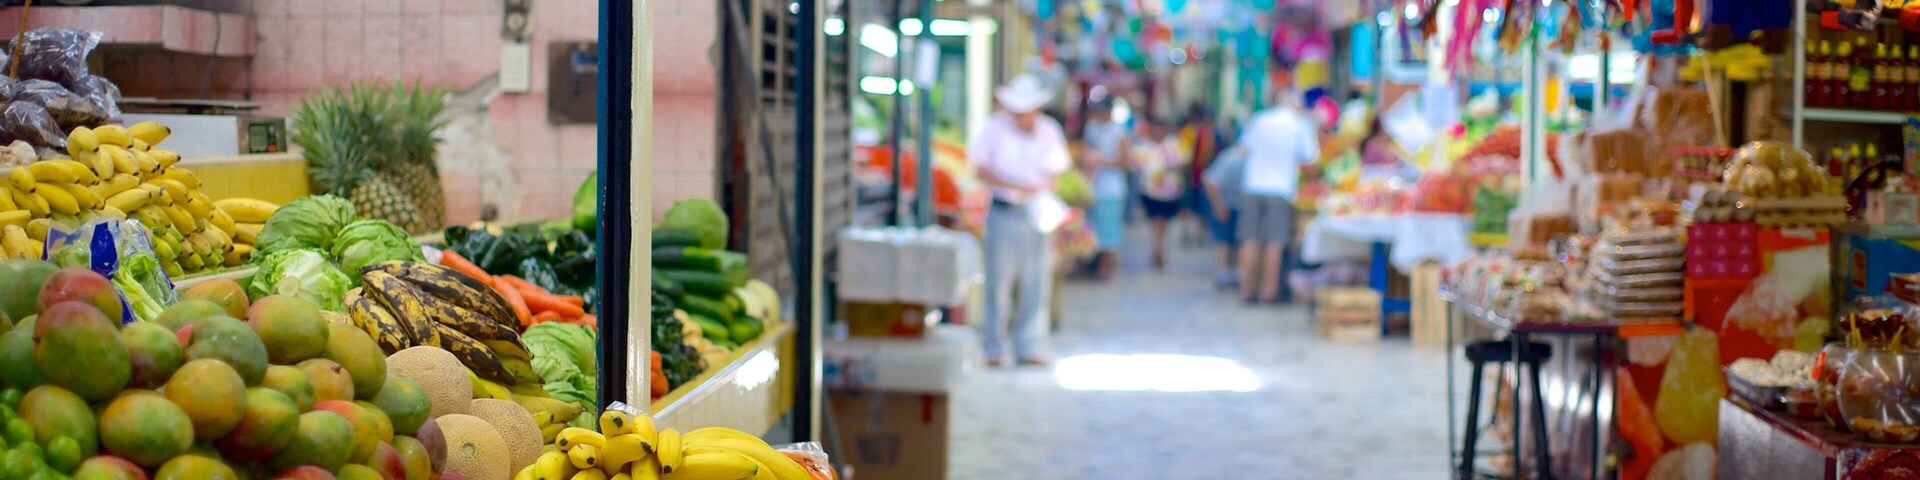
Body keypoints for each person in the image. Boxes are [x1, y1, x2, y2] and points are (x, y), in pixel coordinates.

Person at [970, 74, 1071, 366]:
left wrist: (1039, 189)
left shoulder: (1049, 131)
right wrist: (1017, 186)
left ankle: (1029, 346)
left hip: (1036, 216)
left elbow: (1056, 171)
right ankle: (992, 346)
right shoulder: (994, 128)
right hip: (1003, 212)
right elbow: (980, 168)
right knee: (998, 283)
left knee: (1035, 282)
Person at [1237, 90, 1321, 304]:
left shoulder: (1259, 119)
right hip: (1281, 189)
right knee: (1274, 242)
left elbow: (1243, 150)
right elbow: (1311, 161)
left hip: (1252, 185)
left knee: (1250, 239)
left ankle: (1247, 290)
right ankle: (1268, 292)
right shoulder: (1300, 124)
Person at [1129, 117, 1189, 271]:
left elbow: (1184, 161)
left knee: (1163, 222)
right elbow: (1135, 163)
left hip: (1170, 191)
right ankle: (1158, 249)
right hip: (1150, 190)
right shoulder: (1143, 146)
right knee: (1156, 221)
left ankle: (1159, 248)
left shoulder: (1174, 144)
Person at [1079, 99, 1129, 280]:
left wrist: (1102, 161)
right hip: (1092, 186)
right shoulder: (1091, 128)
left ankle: (1105, 269)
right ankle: (1090, 266)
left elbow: (1126, 162)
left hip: (1111, 189)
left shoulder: (1119, 132)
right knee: (1091, 229)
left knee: (1108, 231)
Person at [1202, 141, 1249, 290]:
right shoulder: (1232, 159)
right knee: (1223, 238)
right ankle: (1223, 272)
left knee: (1236, 239)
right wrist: (1218, 205)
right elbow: (1211, 181)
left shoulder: (1239, 157)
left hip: (1237, 204)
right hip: (1224, 201)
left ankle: (1234, 272)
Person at [1179, 106, 1226, 247]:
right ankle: (1186, 232)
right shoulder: (1192, 134)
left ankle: (1200, 234)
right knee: (1187, 207)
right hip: (1192, 177)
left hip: (1207, 179)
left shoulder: (1217, 136)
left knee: (1203, 209)